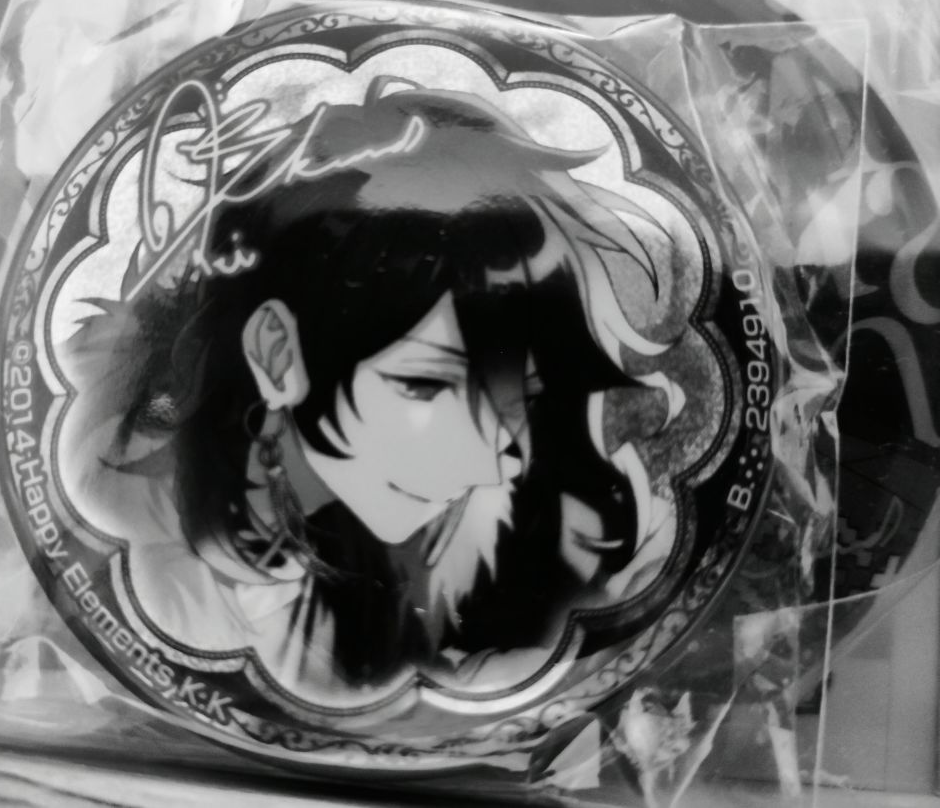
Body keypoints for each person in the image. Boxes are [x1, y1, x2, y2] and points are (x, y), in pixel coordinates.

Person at [68, 78, 675, 699]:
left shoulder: (525, 522)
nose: (493, 462)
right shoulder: (163, 548)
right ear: (277, 353)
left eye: (520, 396)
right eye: (425, 384)